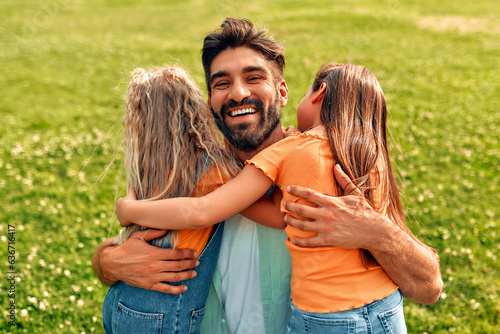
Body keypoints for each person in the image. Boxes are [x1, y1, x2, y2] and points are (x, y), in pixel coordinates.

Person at [93, 18, 443, 334]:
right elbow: (123, 246)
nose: (238, 93)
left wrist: (376, 231)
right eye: (222, 83)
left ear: (283, 91)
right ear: (210, 101)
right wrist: (109, 262)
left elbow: (428, 288)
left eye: (254, 77)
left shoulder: (333, 177)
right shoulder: (193, 173)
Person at [101, 65, 284, 334]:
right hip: (164, 314)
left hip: (118, 304)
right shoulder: (217, 173)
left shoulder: (146, 174)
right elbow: (276, 213)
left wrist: (128, 210)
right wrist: (284, 153)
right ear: (198, 110)